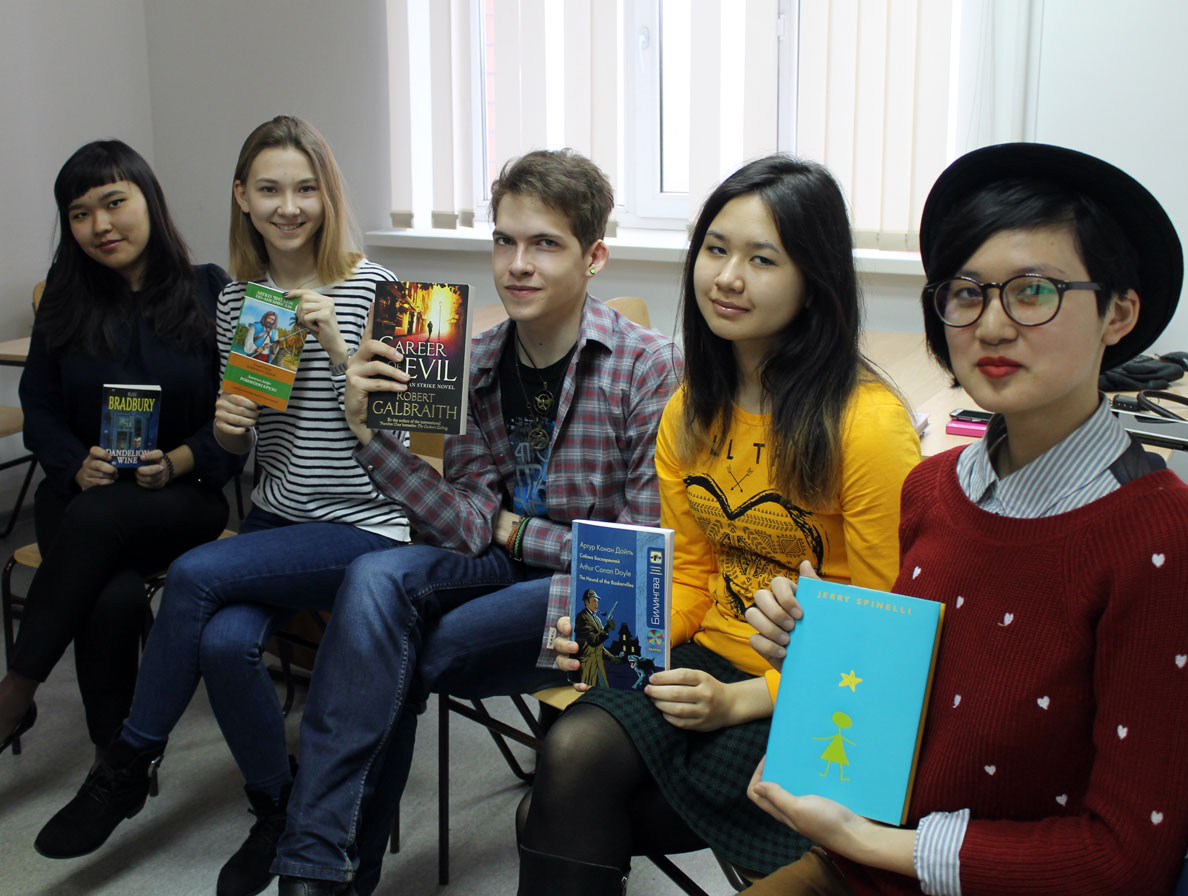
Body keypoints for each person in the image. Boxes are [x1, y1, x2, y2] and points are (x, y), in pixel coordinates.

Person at [744, 143, 1188, 895]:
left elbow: (1126, 859)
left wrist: (873, 843)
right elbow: (932, 706)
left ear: (1118, 312)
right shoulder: (933, 487)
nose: (990, 326)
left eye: (1033, 291)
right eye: (966, 293)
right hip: (862, 864)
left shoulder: (1166, 543)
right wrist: (823, 658)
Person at [269, 149, 681, 896]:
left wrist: (515, 532)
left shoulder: (647, 366)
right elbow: (464, 524)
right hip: (497, 565)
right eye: (504, 241)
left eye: (545, 244)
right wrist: (369, 434)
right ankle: (315, 872)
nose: (517, 264)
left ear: (593, 257)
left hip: (597, 597)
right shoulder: (477, 358)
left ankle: (325, 874)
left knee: (398, 652)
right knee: (374, 576)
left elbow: (637, 552)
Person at [519, 155, 923, 895]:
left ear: (813, 280)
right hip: (707, 661)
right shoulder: (689, 409)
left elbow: (880, 634)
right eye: (716, 249)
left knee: (563, 804)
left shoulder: (865, 426)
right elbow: (692, 576)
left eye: (762, 259)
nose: (727, 278)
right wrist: (615, 631)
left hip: (818, 690)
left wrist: (743, 698)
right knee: (569, 752)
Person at [33, 116, 409, 896]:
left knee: (195, 575)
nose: (288, 207)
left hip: (366, 525)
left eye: (305, 189)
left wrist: (339, 354)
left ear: (328, 195)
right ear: (242, 197)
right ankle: (276, 808)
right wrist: (231, 426)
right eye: (269, 189)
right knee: (222, 642)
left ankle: (127, 760)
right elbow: (241, 445)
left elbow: (404, 447)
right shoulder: (241, 300)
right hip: (278, 515)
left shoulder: (381, 290)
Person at [0, 140, 240, 761]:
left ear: (149, 201)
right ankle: (117, 757)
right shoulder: (64, 298)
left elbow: (236, 420)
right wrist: (74, 465)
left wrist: (178, 461)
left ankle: (13, 695)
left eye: (113, 203)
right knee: (113, 593)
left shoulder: (211, 292)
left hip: (181, 500)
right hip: (82, 494)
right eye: (80, 214)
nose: (100, 225)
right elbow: (40, 408)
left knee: (95, 524)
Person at [576, 589, 617, 688]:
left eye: (597, 601)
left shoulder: (597, 620)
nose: (596, 604)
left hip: (598, 663)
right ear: (586, 602)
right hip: (588, 664)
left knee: (604, 691)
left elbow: (599, 645)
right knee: (587, 691)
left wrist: (612, 658)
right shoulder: (582, 617)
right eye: (594, 601)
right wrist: (607, 628)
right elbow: (593, 641)